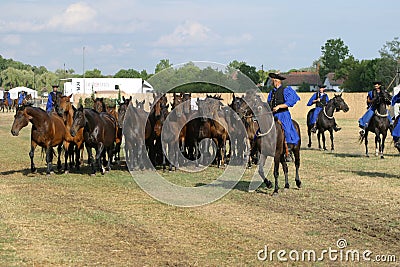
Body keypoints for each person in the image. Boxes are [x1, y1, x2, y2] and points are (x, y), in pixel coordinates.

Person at [267, 73, 300, 160]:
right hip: (273, 115)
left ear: (277, 81)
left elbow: (290, 102)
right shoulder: (272, 92)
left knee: (287, 130)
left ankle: (288, 151)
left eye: (273, 81)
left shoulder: (286, 90)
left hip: (283, 114)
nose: (272, 82)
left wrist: (279, 106)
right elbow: (268, 102)